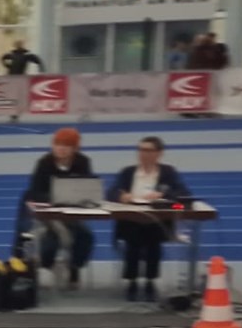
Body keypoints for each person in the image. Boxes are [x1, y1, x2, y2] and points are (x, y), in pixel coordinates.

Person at [113, 136, 191, 302]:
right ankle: (132, 282)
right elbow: (111, 192)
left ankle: (150, 281)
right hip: (131, 219)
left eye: (148, 150)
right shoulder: (128, 172)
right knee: (133, 240)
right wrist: (122, 196)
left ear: (159, 153)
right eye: (141, 150)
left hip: (156, 220)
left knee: (152, 240)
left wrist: (163, 194)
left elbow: (183, 193)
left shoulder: (168, 172)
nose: (143, 154)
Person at [23, 128, 98, 287]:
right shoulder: (44, 163)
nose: (61, 149)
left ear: (75, 148)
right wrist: (55, 199)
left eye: (66, 145)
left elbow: (88, 188)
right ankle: (47, 265)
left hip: (73, 214)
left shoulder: (83, 162)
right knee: (52, 241)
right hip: (50, 216)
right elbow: (34, 192)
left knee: (86, 237)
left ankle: (74, 267)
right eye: (58, 144)